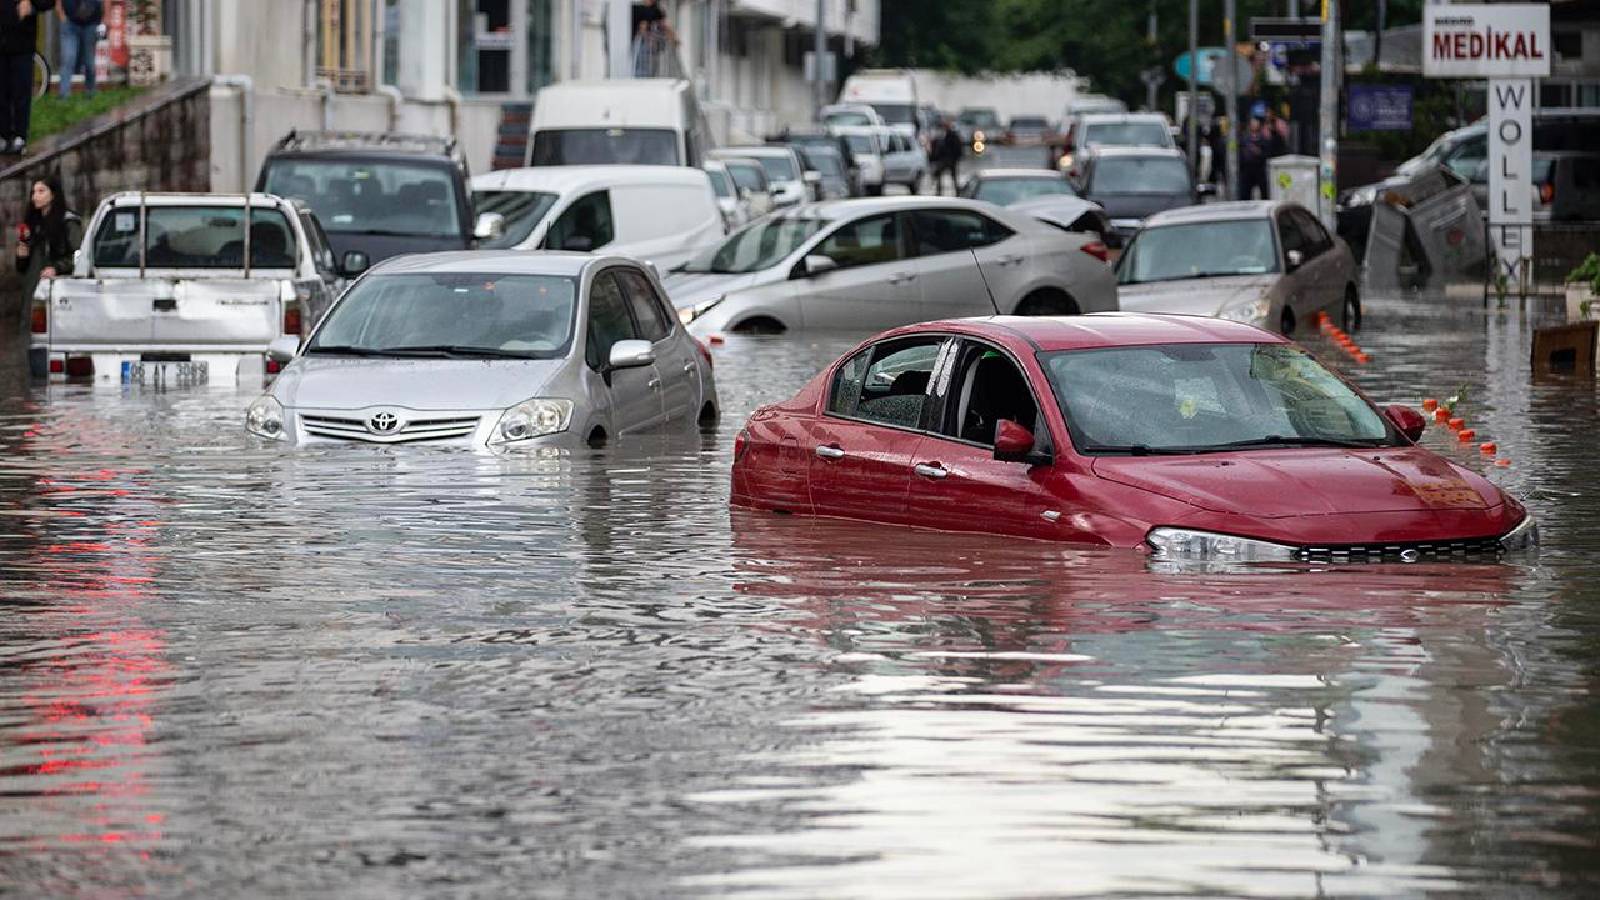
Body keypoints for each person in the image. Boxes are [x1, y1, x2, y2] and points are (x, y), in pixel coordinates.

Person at [14, 175, 80, 336]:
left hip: (57, 292)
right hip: (33, 292)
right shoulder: (33, 223)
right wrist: (22, 254)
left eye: (41, 191)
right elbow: (23, 269)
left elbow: (79, 257)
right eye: (33, 192)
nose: (35, 196)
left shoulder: (68, 222)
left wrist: (57, 268)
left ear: (53, 194)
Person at [0, 0, 56, 156]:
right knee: (2, 93)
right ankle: (3, 135)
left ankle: (19, 136)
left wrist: (31, 4)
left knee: (21, 91)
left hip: (22, 44)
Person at [57, 0, 102, 100]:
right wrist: (61, 13)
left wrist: (106, 17)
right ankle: (64, 94)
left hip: (91, 23)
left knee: (89, 61)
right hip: (69, 22)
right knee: (68, 58)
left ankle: (90, 91)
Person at [630, 0, 676, 77]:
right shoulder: (638, 9)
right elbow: (643, 28)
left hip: (647, 49)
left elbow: (664, 26)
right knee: (643, 70)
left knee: (648, 70)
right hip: (642, 48)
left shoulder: (655, 11)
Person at [1237, 117, 1270, 201]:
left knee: (1263, 190)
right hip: (1247, 168)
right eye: (1252, 123)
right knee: (1245, 191)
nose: (1254, 125)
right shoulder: (1244, 139)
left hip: (1259, 168)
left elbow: (1267, 153)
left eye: (1256, 123)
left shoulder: (1263, 139)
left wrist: (1258, 152)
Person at [932, 119, 963, 195]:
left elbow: (957, 148)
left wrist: (955, 158)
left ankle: (956, 192)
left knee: (954, 177)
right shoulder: (941, 136)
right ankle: (939, 191)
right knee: (939, 173)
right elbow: (937, 148)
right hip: (944, 159)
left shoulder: (953, 136)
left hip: (951, 159)